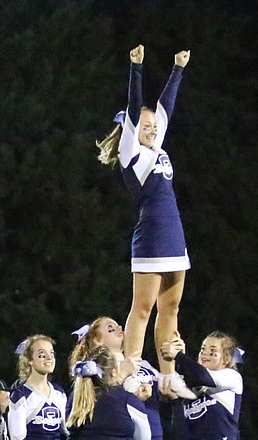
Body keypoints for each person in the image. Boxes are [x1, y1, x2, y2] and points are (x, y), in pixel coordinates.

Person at [97, 44, 192, 374]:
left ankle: (168, 374)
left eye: (154, 127)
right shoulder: (132, 155)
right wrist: (136, 68)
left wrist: (178, 69)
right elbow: (135, 107)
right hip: (151, 233)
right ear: (131, 132)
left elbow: (166, 107)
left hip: (174, 231)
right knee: (143, 307)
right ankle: (131, 369)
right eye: (144, 126)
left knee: (172, 306)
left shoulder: (156, 145)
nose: (151, 129)